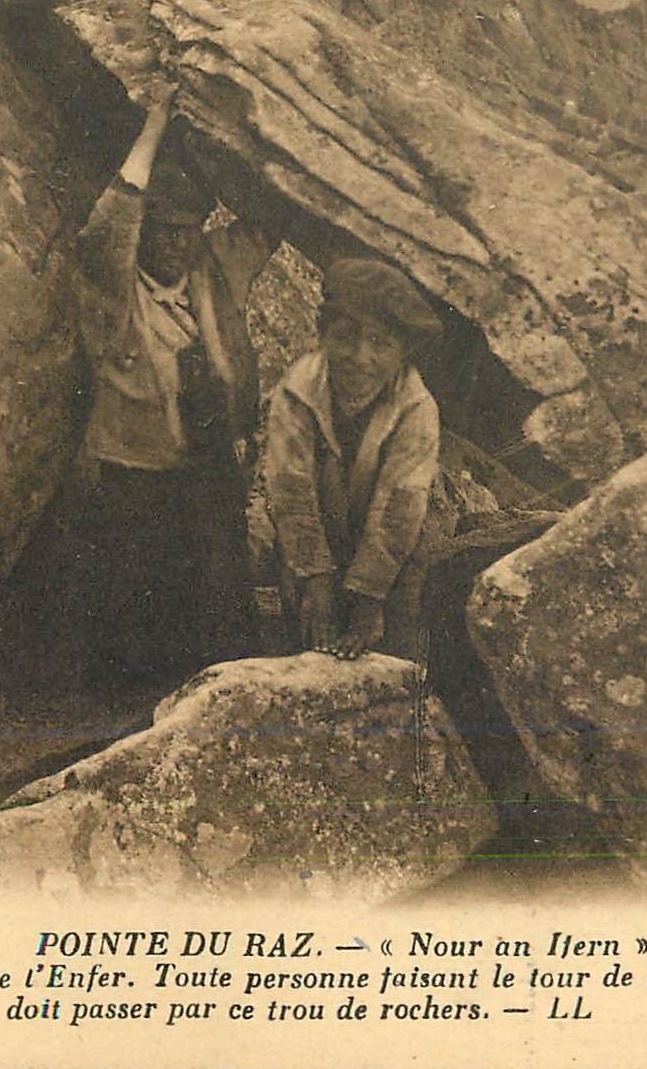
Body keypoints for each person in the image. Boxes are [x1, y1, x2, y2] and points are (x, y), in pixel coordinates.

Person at [67, 81, 276, 697]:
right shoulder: (114, 286)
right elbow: (113, 215)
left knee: (220, 607)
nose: (176, 242)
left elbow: (269, 219)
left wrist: (224, 141)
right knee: (137, 622)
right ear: (144, 230)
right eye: (163, 228)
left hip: (207, 473)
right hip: (133, 476)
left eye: (188, 229)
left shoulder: (212, 268)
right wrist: (157, 125)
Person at [263, 257, 443, 663]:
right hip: (315, 544)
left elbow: (399, 507)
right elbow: (291, 494)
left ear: (403, 354)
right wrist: (317, 584)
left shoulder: (416, 407)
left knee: (389, 659)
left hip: (395, 553)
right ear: (323, 336)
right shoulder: (297, 393)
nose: (360, 357)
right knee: (307, 650)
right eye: (345, 337)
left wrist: (367, 599)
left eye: (380, 343)